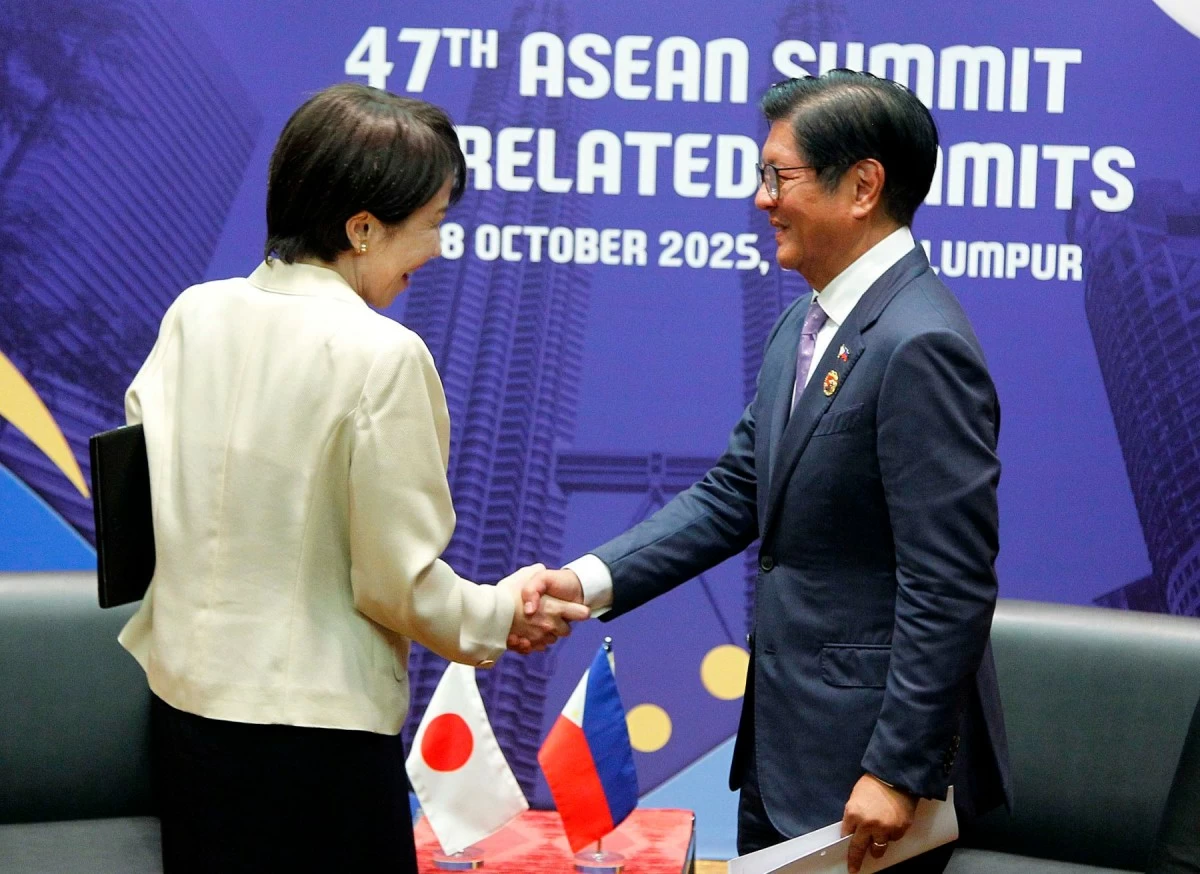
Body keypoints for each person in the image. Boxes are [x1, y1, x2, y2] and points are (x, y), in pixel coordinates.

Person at [517, 70, 1011, 874]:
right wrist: (586, 582)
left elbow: (948, 582)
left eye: (777, 176)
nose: (760, 200)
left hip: (867, 780)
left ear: (861, 186)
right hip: (786, 758)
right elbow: (736, 493)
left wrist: (895, 768)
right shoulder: (806, 322)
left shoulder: (921, 345)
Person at [119, 83, 586, 872]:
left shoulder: (193, 314)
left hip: (182, 716)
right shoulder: (381, 355)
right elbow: (394, 583)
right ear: (362, 229)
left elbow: (141, 502)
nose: (436, 250)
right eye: (431, 224)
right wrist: (502, 612)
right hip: (315, 745)